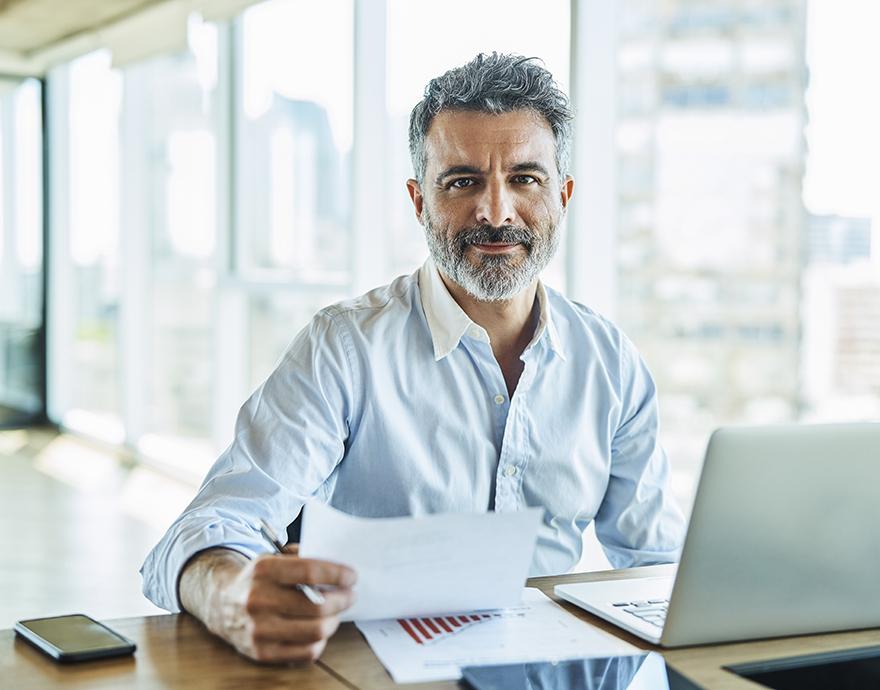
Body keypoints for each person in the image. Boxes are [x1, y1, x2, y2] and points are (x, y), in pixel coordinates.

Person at [141, 52, 685, 664]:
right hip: (374, 671)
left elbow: (655, 569)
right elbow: (202, 532)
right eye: (462, 181)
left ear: (562, 196)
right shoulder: (344, 349)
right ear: (419, 201)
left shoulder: (611, 364)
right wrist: (227, 593)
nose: (496, 212)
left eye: (525, 179)